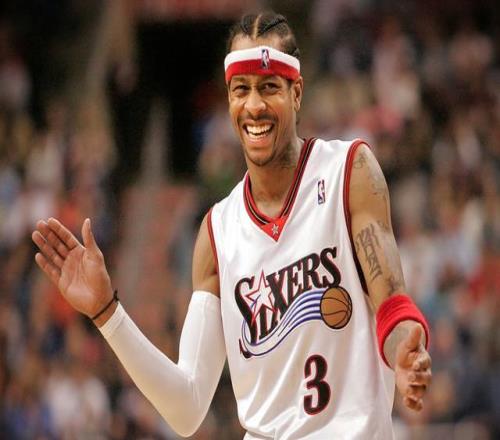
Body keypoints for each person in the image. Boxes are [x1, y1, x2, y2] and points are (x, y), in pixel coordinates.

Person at [32, 11, 432, 440]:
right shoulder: (217, 233)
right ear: (228, 100)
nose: (254, 105)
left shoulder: (348, 172)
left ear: (296, 93)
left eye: (269, 87)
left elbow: (392, 304)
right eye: (241, 89)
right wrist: (106, 313)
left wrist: (405, 353)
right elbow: (186, 408)